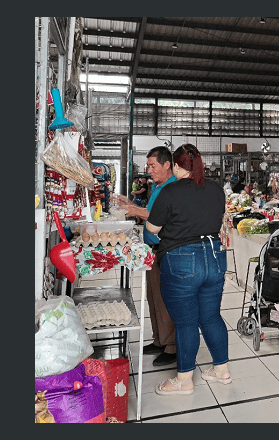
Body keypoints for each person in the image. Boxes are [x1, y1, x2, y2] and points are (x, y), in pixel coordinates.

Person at [146, 143, 231, 395]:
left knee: (185, 322)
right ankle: (221, 371)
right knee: (211, 316)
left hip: (182, 259)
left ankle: (183, 381)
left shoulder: (170, 192)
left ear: (175, 165)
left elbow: (152, 229)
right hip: (215, 256)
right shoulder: (216, 189)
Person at [114, 147, 178, 367]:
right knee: (153, 297)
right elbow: (150, 214)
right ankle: (159, 340)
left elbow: (164, 217)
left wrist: (136, 212)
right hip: (152, 250)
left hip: (166, 249)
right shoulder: (159, 187)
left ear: (167, 164)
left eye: (153, 165)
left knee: (166, 299)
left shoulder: (172, 187)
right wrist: (130, 205)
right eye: (147, 165)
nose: (148, 170)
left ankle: (172, 347)